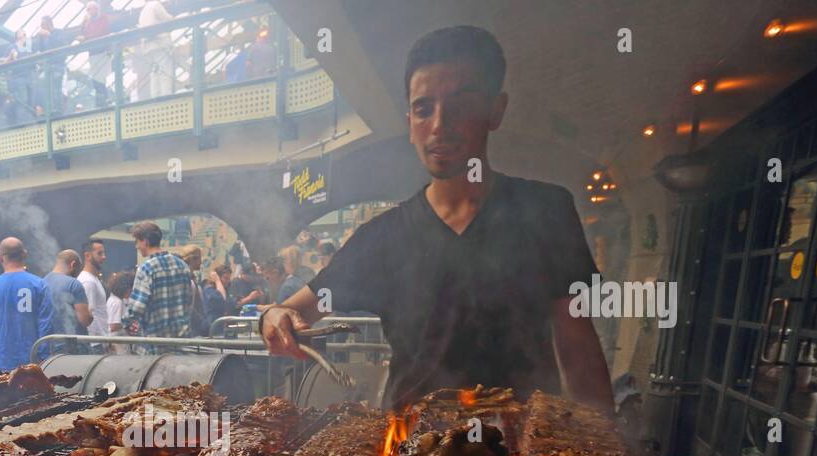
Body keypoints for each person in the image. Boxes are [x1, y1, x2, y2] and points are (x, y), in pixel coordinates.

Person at [260, 25, 613, 410]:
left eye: (461, 105)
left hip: (521, 453)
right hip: (406, 453)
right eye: (424, 109)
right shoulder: (381, 238)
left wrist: (602, 443)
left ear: (496, 110)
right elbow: (293, 309)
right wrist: (274, 317)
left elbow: (577, 345)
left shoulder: (546, 210)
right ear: (410, 121)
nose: (440, 125)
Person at [0, 236, 54, 370]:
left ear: (0, 258)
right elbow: (46, 326)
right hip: (35, 365)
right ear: (24, 255)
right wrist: (42, 359)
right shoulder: (40, 285)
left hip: (4, 365)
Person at [125, 220, 192, 338]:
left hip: (156, 342)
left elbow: (136, 308)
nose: (136, 246)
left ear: (145, 241)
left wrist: (126, 322)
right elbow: (188, 300)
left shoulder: (146, 269)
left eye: (137, 242)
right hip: (181, 341)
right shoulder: (183, 265)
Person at [42, 249, 91, 353]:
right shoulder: (74, 284)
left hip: (50, 347)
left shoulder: (42, 283)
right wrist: (90, 313)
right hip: (74, 348)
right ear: (73, 265)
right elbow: (85, 319)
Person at [135, 0, 174, 99]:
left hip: (148, 46)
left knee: (154, 72)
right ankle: (166, 95)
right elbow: (167, 18)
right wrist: (174, 18)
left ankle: (155, 95)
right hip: (159, 43)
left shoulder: (143, 11)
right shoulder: (155, 4)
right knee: (165, 70)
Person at [80, 1, 114, 107]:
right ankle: (100, 100)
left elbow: (100, 34)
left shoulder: (103, 18)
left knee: (101, 77)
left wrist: (86, 38)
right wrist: (83, 23)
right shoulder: (88, 22)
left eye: (91, 9)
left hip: (102, 51)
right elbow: (82, 33)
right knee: (95, 78)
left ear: (96, 9)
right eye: (88, 10)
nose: (90, 11)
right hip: (93, 53)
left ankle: (104, 99)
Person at [78, 237, 110, 337]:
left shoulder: (92, 279)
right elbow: (88, 317)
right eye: (100, 253)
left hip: (100, 340)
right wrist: (99, 342)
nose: (104, 257)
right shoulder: (88, 281)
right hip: (96, 342)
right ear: (87, 256)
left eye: (104, 253)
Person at [178, 244, 208, 337]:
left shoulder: (191, 278)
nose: (201, 261)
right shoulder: (186, 279)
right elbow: (189, 307)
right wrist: (202, 322)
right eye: (199, 258)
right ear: (192, 259)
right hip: (191, 329)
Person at [105, 270, 134, 353]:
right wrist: (128, 323)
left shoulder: (112, 299)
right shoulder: (117, 302)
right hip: (118, 343)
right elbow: (113, 325)